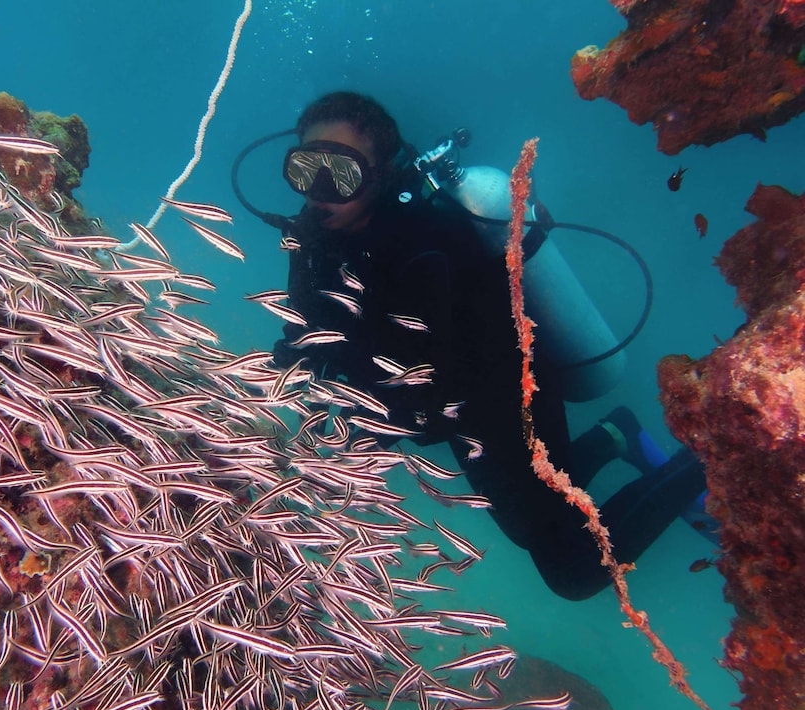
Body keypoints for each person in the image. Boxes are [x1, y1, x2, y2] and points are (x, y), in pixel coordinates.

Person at [270, 91, 709, 601]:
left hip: (506, 397)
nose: (320, 191)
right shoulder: (314, 240)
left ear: (381, 172)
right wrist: (285, 383)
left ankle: (703, 460)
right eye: (306, 169)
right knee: (539, 517)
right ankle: (616, 435)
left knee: (570, 567)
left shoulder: (429, 243)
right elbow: (309, 330)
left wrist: (370, 429)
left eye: (340, 172)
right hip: (429, 408)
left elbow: (455, 372)